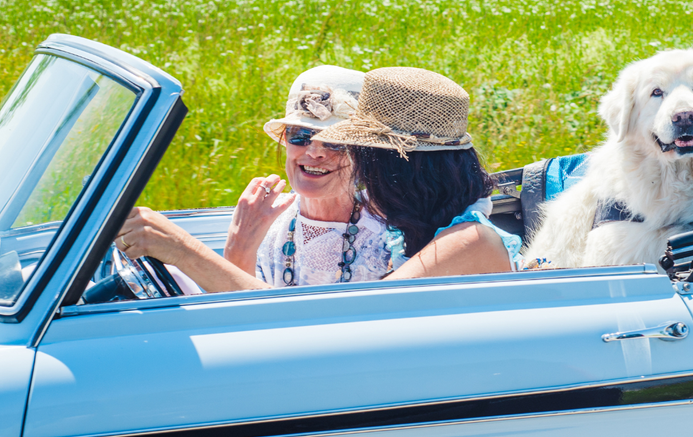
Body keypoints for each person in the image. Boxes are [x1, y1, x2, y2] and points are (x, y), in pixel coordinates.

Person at [116, 65, 393, 293]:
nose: (313, 152)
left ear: (365, 153)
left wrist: (184, 249)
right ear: (285, 141)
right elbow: (243, 322)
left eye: (335, 142)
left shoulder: (389, 232)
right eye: (300, 135)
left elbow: (299, 332)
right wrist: (240, 247)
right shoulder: (269, 220)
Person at [311, 66, 521, 279]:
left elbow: (363, 306)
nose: (362, 181)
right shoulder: (419, 237)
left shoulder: (469, 240)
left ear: (397, 177)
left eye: (366, 171)